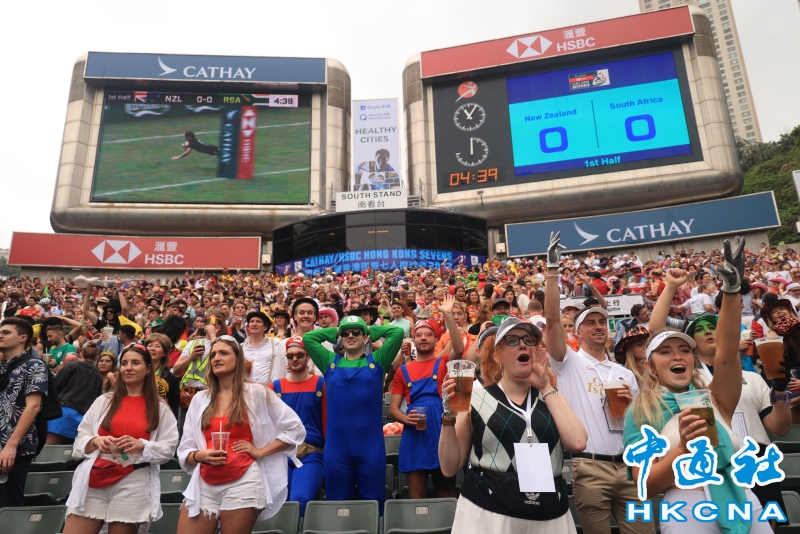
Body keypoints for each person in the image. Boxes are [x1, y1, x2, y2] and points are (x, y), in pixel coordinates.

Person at [624, 238, 772, 534]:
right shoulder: (641, 411)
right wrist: (681, 448)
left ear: (693, 362)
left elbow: (727, 349)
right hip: (687, 507)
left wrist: (731, 291)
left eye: (684, 350)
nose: (677, 356)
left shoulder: (715, 398)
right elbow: (645, 486)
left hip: (743, 499)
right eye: (665, 352)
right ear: (650, 366)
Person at [438, 315, 587, 532]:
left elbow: (578, 442)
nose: (522, 345)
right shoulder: (475, 399)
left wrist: (545, 386)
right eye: (512, 340)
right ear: (497, 355)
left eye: (529, 340)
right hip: (488, 515)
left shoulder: (552, 397)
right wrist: (449, 416)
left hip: (549, 514)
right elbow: (449, 468)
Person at [544, 233, 650, 534]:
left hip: (630, 467)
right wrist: (552, 271)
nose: (598, 326)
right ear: (577, 333)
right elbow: (552, 321)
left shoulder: (624, 373)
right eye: (590, 322)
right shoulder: (568, 362)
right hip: (590, 467)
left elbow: (639, 422)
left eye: (602, 321)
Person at [175, 336, 305, 534]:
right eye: (213, 354)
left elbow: (295, 429)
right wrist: (200, 455)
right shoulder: (200, 399)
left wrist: (260, 452)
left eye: (224, 353)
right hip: (204, 482)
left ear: (238, 359)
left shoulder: (257, 392)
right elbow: (186, 448)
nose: (217, 358)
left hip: (244, 481)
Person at [63, 344, 179, 534]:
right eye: (124, 363)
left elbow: (169, 448)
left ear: (148, 369)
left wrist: (142, 444)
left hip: (133, 479)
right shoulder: (104, 401)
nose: (128, 368)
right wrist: (95, 441)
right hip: (94, 478)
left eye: (135, 363)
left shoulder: (159, 407)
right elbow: (81, 437)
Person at [303, 318, 404, 512]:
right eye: (346, 333)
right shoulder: (329, 362)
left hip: (370, 447)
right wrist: (336, 331)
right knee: (338, 505)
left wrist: (368, 329)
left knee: (373, 503)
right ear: (340, 337)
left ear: (365, 338)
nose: (350, 336)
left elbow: (397, 333)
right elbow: (308, 338)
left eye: (356, 332)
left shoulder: (378, 361)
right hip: (337, 447)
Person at [390, 296, 464, 499]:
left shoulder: (443, 363)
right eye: (419, 335)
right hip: (415, 435)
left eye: (428, 334)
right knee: (416, 497)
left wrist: (448, 314)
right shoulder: (402, 371)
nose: (423, 338)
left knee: (446, 493)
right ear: (413, 340)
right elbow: (393, 409)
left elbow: (459, 349)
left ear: (435, 340)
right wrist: (406, 418)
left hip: (442, 431)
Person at [268, 336, 326, 516]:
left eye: (299, 355)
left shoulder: (321, 384)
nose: (294, 359)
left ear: (308, 357)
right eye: (290, 355)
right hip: (281, 455)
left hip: (311, 454)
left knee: (300, 499)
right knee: (278, 501)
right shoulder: (274, 387)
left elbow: (328, 423)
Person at [0, 317, 47, 507]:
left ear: (23, 337)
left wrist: (11, 445)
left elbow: (33, 406)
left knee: (8, 503)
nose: (0, 336)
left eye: (6, 333)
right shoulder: (3, 366)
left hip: (15, 446)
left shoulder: (34, 365)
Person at [173, 309, 228, 436]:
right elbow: (176, 369)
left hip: (212, 393)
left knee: (207, 430)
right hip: (189, 392)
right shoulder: (193, 343)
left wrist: (213, 337)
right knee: (183, 430)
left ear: (222, 325)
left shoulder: (226, 343)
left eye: (216, 322)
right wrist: (191, 357)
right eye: (209, 321)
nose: (212, 324)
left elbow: (224, 358)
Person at [47, 340, 104, 445]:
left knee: (49, 450)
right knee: (68, 452)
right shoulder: (99, 376)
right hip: (83, 418)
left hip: (63, 413)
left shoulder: (72, 366)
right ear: (96, 358)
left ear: (81, 354)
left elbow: (55, 385)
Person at [243, 311, 284, 384]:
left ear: (265, 327)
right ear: (248, 327)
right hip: (246, 388)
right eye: (252, 321)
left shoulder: (276, 344)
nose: (254, 324)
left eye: (258, 322)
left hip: (268, 388)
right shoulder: (241, 347)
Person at [145, 333, 180, 418]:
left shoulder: (170, 377)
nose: (152, 349)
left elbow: (174, 405)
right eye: (150, 345)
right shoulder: (137, 371)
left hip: (159, 417)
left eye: (157, 346)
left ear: (164, 353)